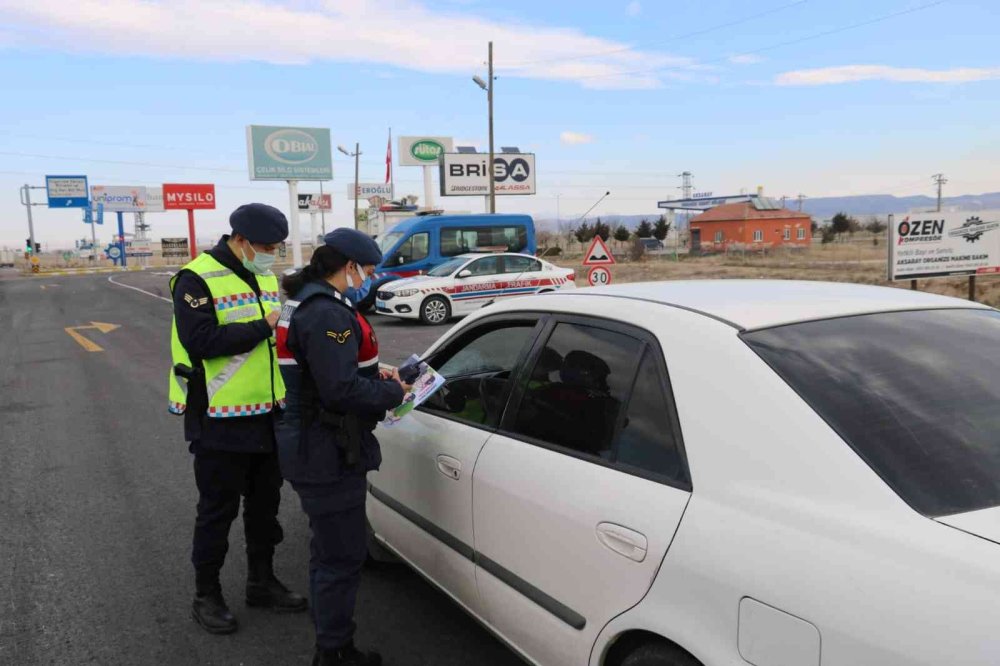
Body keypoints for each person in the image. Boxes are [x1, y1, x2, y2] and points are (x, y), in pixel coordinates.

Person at [168, 203, 308, 635]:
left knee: (265, 508)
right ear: (240, 240)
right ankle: (206, 594)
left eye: (277, 248)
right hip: (218, 417)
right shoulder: (196, 277)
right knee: (217, 511)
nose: (272, 255)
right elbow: (201, 340)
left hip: (266, 412)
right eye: (266, 247)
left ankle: (261, 582)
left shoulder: (264, 276)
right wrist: (264, 325)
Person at [275, 228, 409, 666]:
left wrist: (376, 378)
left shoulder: (308, 302)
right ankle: (333, 652)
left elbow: (329, 376)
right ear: (348, 267)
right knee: (341, 557)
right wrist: (394, 393)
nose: (369, 279)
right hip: (324, 449)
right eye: (367, 271)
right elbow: (339, 390)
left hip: (313, 442)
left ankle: (329, 640)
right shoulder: (326, 313)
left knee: (327, 551)